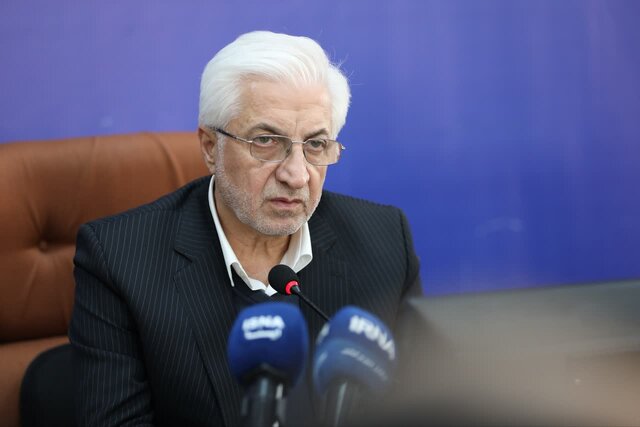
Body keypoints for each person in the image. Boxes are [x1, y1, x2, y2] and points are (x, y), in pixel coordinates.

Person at [69, 30, 422, 426]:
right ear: (210, 147)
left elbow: (423, 406)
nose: (296, 175)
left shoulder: (384, 242)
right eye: (266, 140)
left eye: (315, 145)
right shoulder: (120, 261)